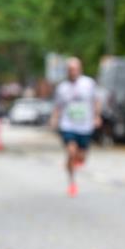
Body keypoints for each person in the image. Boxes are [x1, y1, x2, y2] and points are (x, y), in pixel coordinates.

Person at [49, 57, 101, 197]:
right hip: (68, 125)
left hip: (85, 126)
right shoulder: (62, 87)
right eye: (70, 69)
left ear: (80, 69)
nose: (72, 72)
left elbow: (96, 101)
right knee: (71, 152)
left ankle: (71, 162)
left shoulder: (88, 83)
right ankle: (72, 183)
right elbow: (57, 106)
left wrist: (97, 116)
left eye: (75, 69)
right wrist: (54, 119)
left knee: (81, 157)